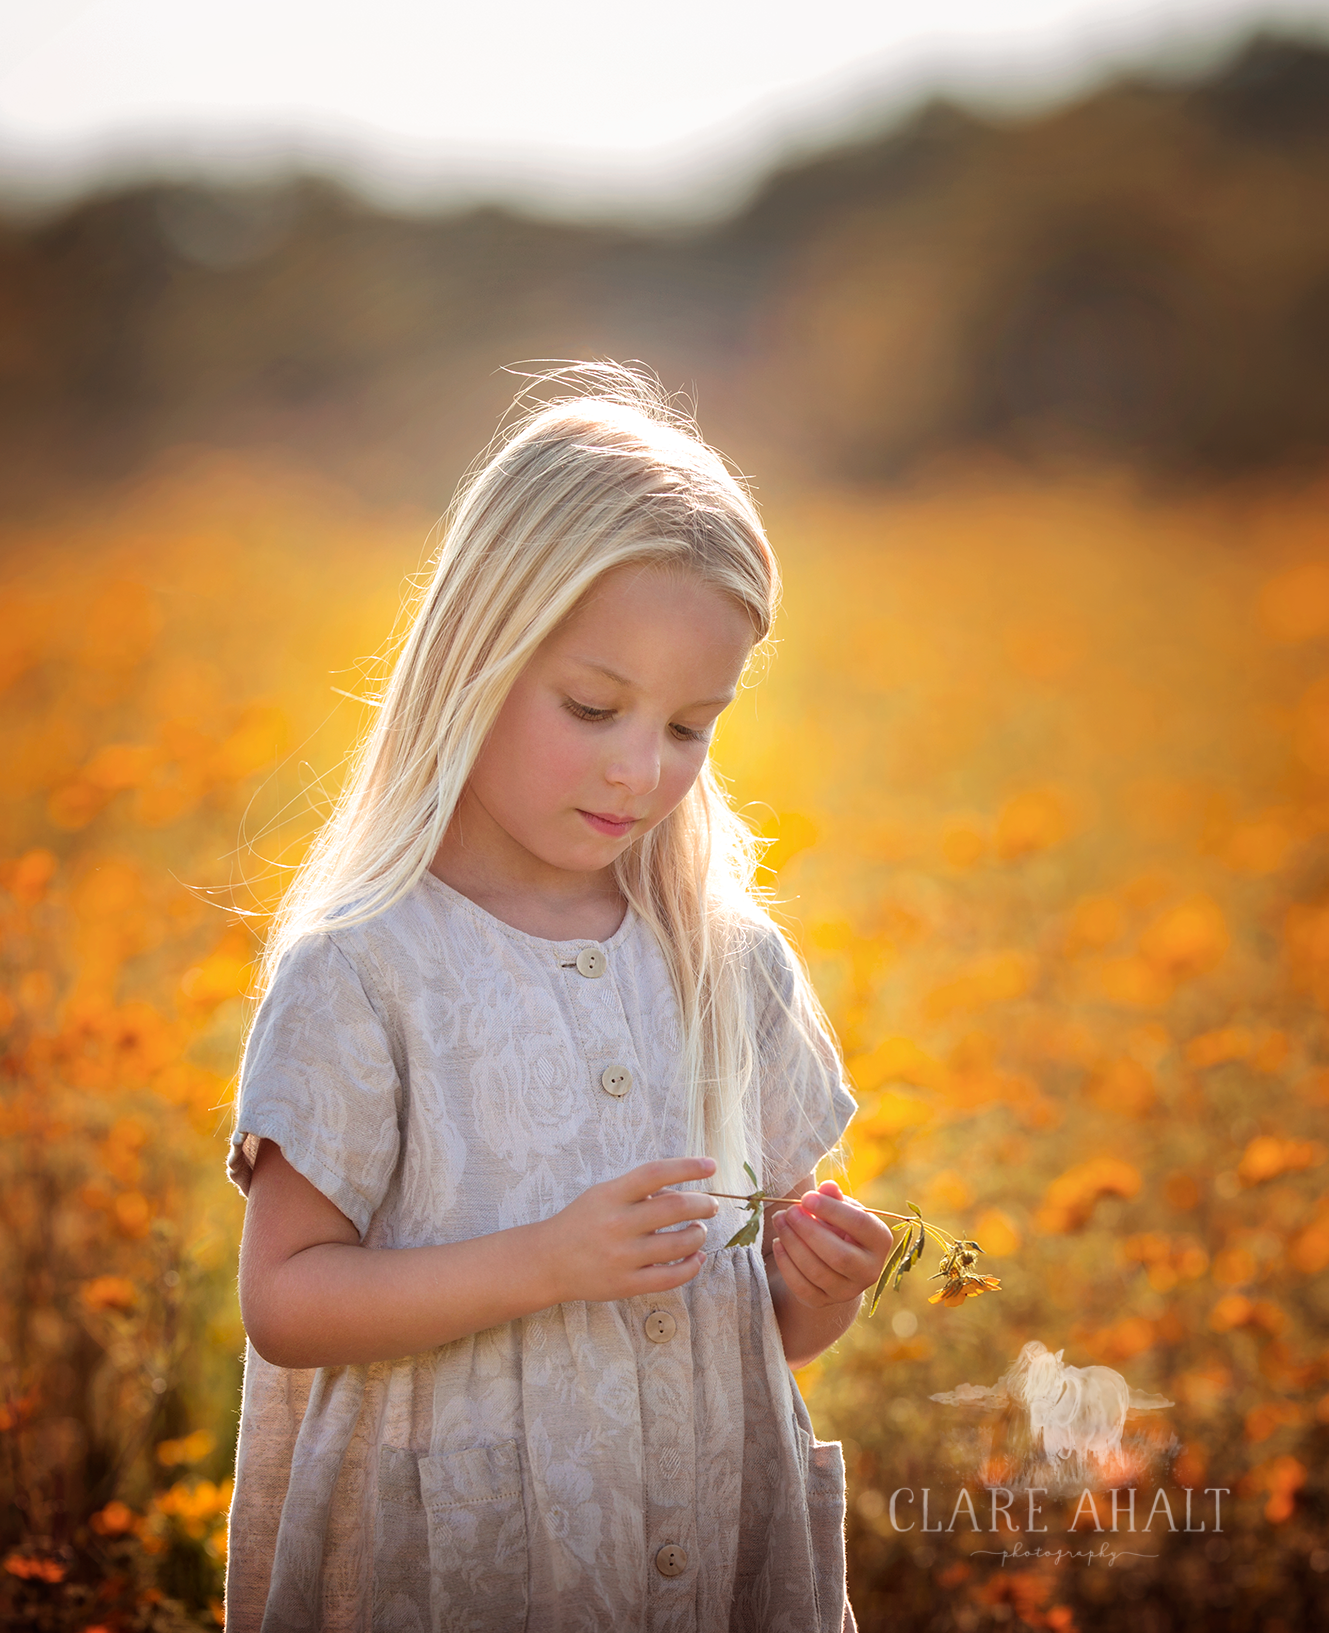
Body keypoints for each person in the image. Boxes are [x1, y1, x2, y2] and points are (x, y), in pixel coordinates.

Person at [220, 364, 895, 1631]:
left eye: (693, 727)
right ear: (476, 655)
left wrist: (819, 1287)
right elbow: (287, 1301)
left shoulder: (725, 963)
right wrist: (545, 1262)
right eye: (593, 706)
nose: (642, 769)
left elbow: (761, 1344)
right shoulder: (366, 969)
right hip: (459, 1568)